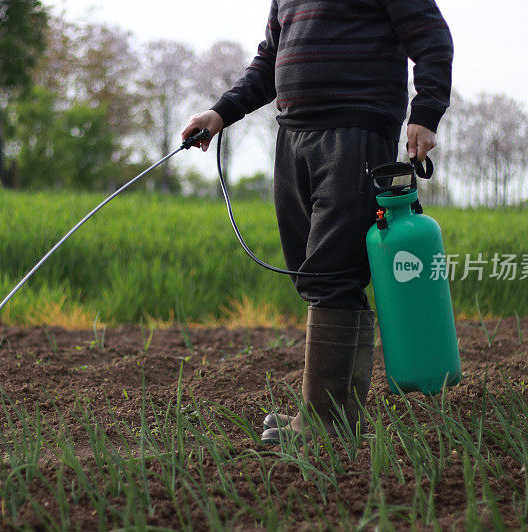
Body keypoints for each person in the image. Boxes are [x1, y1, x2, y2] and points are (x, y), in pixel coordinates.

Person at [182, 0, 453, 443]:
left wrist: (425, 113)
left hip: (355, 131)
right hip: (292, 136)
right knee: (311, 270)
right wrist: (221, 112)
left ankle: (324, 421)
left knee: (333, 270)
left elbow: (433, 41)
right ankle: (338, 414)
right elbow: (268, 60)